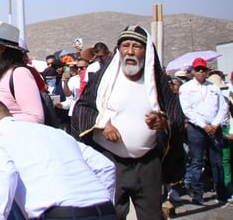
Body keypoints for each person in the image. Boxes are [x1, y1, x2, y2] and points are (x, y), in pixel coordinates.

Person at [72, 25, 185, 218]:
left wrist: (162, 122)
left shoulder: (156, 82)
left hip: (147, 163)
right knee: (111, 214)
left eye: (136, 46)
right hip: (111, 161)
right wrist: (103, 124)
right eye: (126, 45)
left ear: (146, 51)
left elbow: (175, 115)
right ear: (118, 49)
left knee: (151, 215)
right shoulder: (104, 79)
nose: (130, 51)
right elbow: (82, 108)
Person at [0, 98, 116, 220]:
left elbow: (5, 173)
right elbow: (105, 166)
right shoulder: (55, 132)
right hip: (105, 210)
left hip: (59, 214)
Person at [178, 56, 231, 204]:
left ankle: (221, 193)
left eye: (203, 69)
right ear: (193, 71)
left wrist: (214, 124)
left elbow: (223, 107)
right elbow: (187, 110)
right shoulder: (186, 88)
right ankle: (198, 195)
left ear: (207, 71)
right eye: (198, 69)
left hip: (214, 128)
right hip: (197, 129)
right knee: (197, 162)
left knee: (217, 161)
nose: (201, 72)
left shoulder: (213, 87)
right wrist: (203, 125)